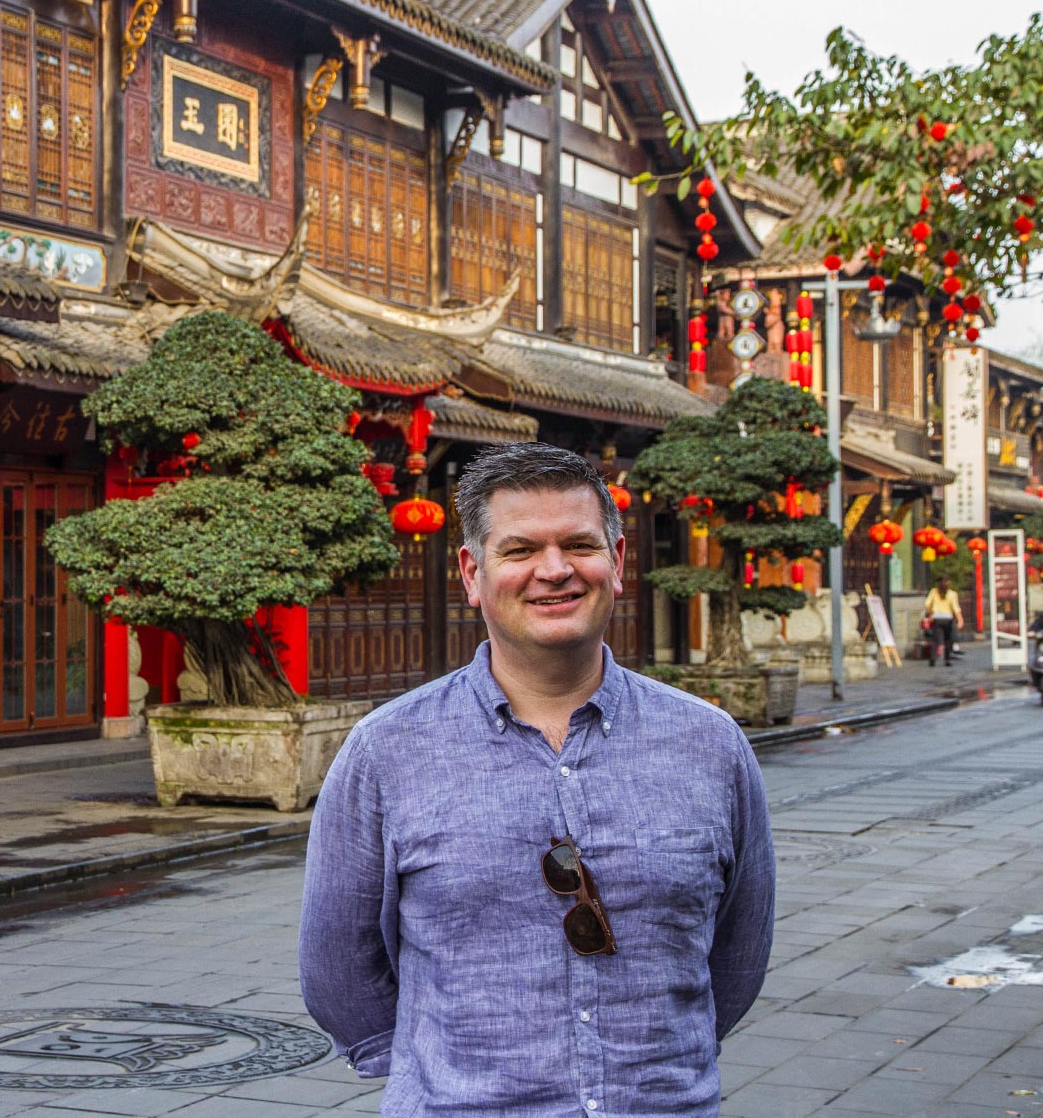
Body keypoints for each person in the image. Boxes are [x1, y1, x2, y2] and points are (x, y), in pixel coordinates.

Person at [299, 443, 774, 1117]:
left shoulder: (709, 743)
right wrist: (433, 1068)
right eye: (520, 549)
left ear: (616, 560)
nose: (555, 570)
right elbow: (337, 965)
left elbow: (738, 951)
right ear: (472, 571)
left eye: (578, 544)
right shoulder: (388, 750)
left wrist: (660, 1054)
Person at [922, 578, 964, 666]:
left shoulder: (934, 592)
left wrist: (930, 614)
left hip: (937, 618)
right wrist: (960, 620)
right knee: (948, 640)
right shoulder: (952, 594)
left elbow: (927, 604)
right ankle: (947, 660)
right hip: (948, 619)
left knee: (936, 640)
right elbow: (956, 608)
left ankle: (933, 658)